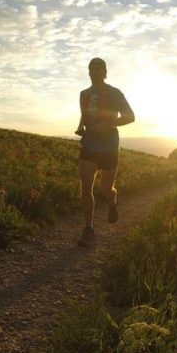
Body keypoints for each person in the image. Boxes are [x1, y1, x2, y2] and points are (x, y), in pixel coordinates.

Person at [75, 57, 134, 246]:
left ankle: (112, 200)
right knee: (86, 187)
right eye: (92, 68)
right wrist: (80, 127)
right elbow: (84, 115)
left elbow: (130, 116)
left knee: (105, 188)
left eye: (99, 68)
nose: (95, 71)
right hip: (89, 144)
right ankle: (88, 228)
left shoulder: (114, 93)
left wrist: (110, 123)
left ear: (105, 72)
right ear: (89, 72)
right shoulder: (83, 94)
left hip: (109, 146)